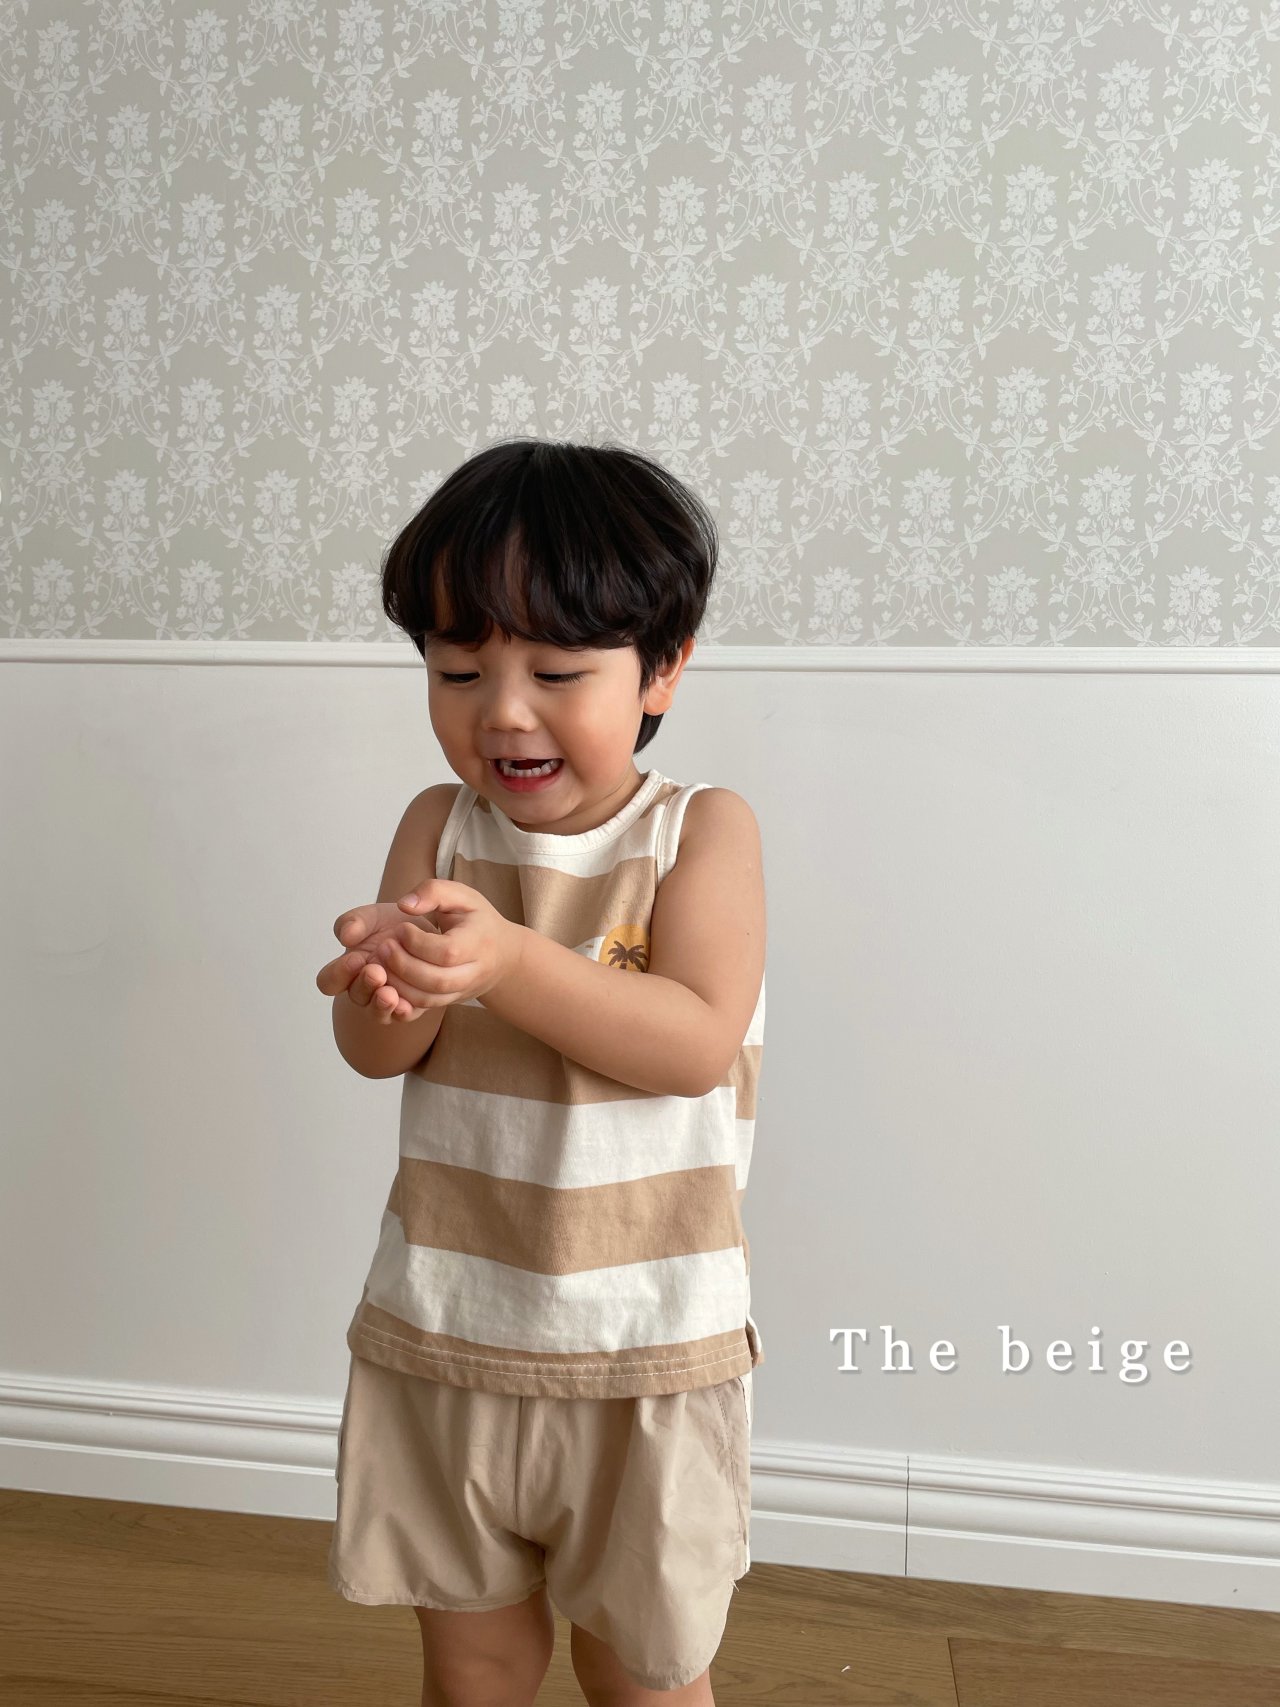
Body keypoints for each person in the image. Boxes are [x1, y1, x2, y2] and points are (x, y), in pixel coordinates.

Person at [315, 438, 767, 1706]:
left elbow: (691, 1044)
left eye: (556, 673)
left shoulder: (699, 830)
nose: (502, 711)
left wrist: (509, 958)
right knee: (471, 1663)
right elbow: (377, 1057)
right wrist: (386, 984)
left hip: (642, 1350)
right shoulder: (438, 825)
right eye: (457, 671)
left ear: (661, 668)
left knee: (645, 1670)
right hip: (446, 1323)